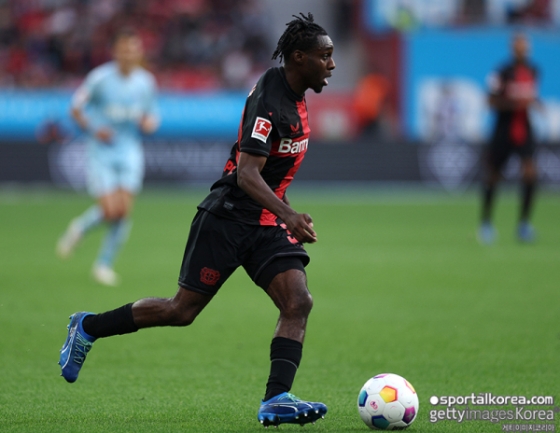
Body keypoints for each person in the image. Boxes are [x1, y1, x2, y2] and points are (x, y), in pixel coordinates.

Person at [58, 13, 335, 428]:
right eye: (325, 56)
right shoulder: (270, 102)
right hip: (228, 218)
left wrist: (283, 212)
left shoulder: (293, 91)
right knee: (181, 310)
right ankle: (88, 326)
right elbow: (246, 175)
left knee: (298, 302)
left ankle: (276, 398)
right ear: (299, 57)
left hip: (265, 223)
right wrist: (290, 215)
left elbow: (271, 171)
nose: (332, 64)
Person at [56, 29, 159, 285]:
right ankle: (80, 227)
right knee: (110, 209)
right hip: (101, 151)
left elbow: (151, 115)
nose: (129, 54)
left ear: (139, 53)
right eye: (125, 49)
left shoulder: (145, 82)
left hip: (130, 150)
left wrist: (149, 124)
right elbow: (75, 109)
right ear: (115, 52)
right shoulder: (100, 79)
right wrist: (94, 129)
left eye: (133, 49)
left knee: (123, 211)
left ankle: (103, 265)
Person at [478, 33, 539, 244]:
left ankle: (524, 224)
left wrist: (534, 104)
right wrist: (515, 103)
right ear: (513, 48)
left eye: (525, 45)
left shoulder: (534, 71)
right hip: (504, 129)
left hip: (525, 128)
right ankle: (486, 223)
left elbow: (532, 98)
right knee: (493, 175)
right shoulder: (501, 72)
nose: (522, 48)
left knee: (530, 173)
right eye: (518, 45)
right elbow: (490, 100)